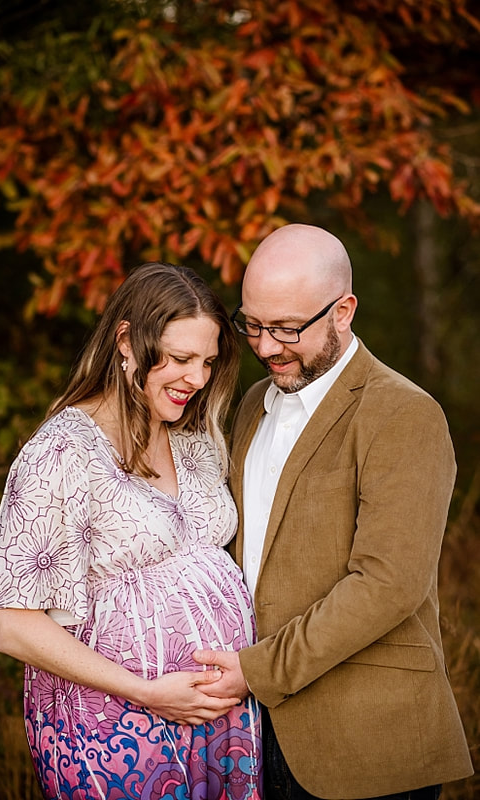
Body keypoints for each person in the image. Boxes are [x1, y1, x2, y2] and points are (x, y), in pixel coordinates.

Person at [194, 223, 473, 799]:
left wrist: (258, 669)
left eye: (288, 328)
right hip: (253, 735)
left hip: (367, 741)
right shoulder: (253, 405)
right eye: (252, 325)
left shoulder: (403, 414)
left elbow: (388, 584)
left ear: (343, 311)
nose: (267, 347)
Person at [0, 262, 261, 800]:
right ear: (127, 341)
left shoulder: (196, 437)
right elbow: (8, 625)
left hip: (223, 722)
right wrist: (148, 692)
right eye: (180, 359)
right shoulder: (60, 452)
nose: (197, 378)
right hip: (117, 728)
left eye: (207, 362)